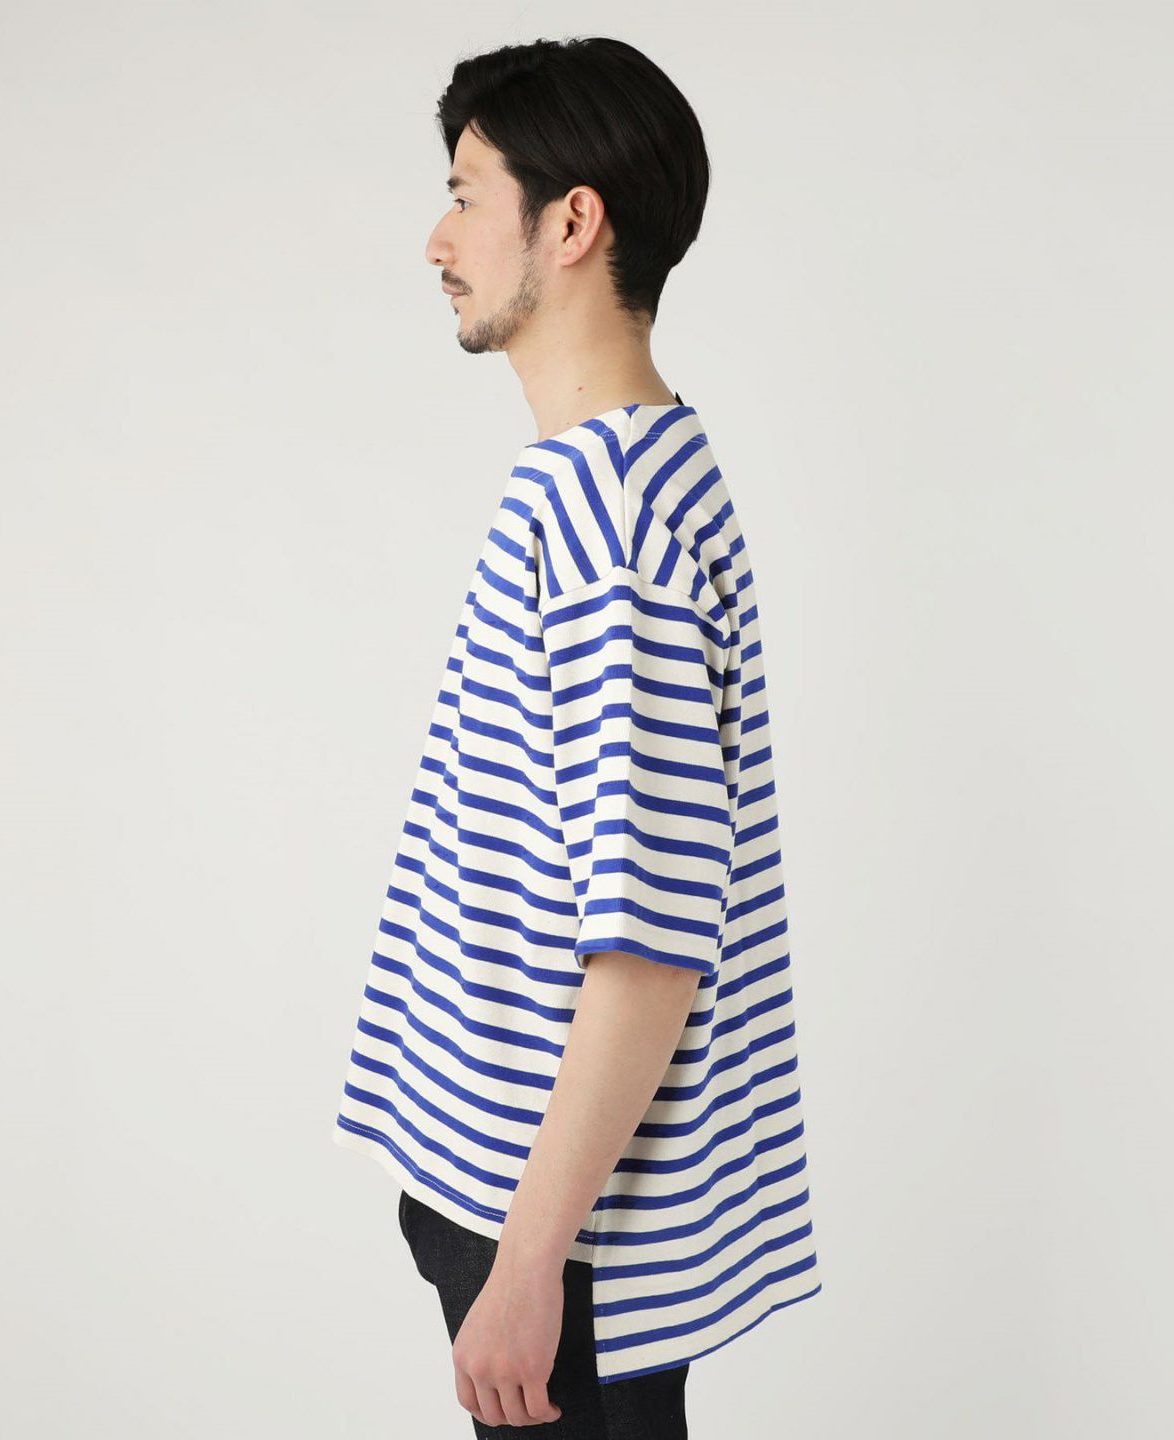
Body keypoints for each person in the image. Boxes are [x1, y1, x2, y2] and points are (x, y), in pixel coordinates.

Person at [332, 35, 822, 1436]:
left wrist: (530, 1262)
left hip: (559, 1239)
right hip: (531, 1205)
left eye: (466, 195)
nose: (438, 241)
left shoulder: (611, 523)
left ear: (572, 221)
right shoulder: (621, 474)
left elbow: (651, 940)